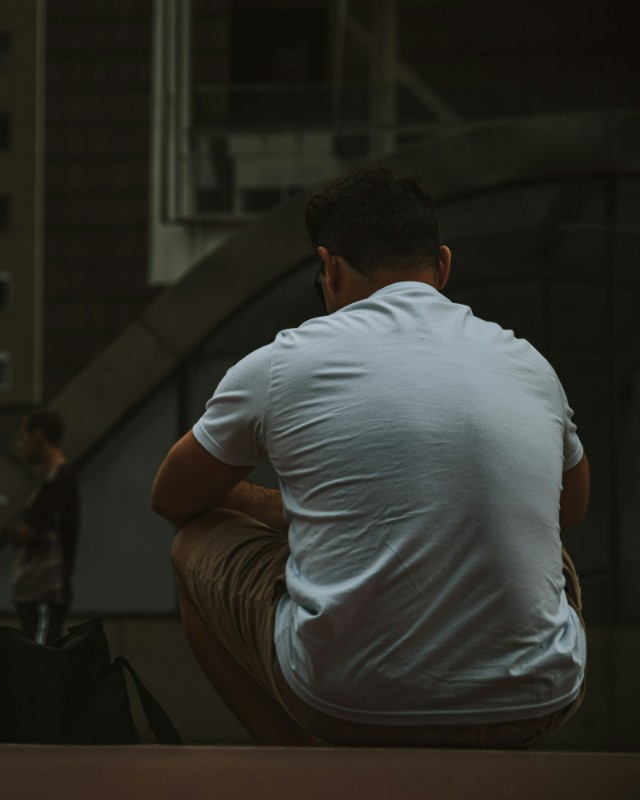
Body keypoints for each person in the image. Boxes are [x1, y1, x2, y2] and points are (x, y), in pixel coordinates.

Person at [151, 167, 589, 748]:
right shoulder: (529, 363)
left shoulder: (281, 363)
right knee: (544, 540)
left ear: (329, 268)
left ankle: (303, 768)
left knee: (190, 546)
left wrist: (291, 513)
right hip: (536, 702)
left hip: (344, 705)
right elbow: (572, 508)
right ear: (443, 265)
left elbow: (172, 497)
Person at [9, 410, 79, 644]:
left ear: (38, 435)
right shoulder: (51, 482)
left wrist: (22, 530)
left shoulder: (60, 482)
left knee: (39, 659)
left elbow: (25, 531)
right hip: (38, 592)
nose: (21, 444)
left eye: (23, 436)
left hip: (45, 591)